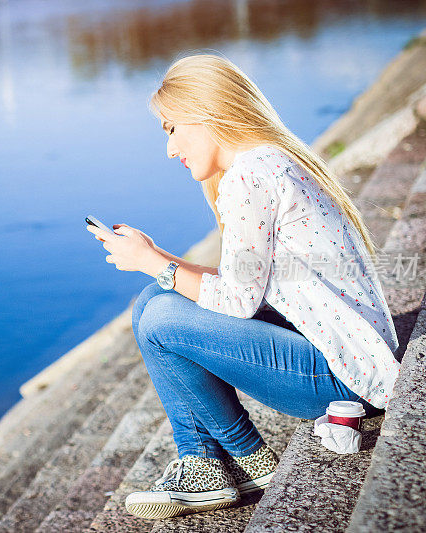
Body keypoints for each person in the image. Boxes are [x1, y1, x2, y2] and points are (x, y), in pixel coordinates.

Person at [85, 52, 401, 520]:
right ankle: (202, 465)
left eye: (172, 129)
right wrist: (159, 259)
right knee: (156, 299)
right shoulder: (270, 161)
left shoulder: (250, 177)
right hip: (345, 352)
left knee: (158, 316)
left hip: (342, 378)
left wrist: (153, 263)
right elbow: (244, 287)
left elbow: (235, 302)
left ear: (208, 113)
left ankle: (246, 459)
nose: (171, 149)